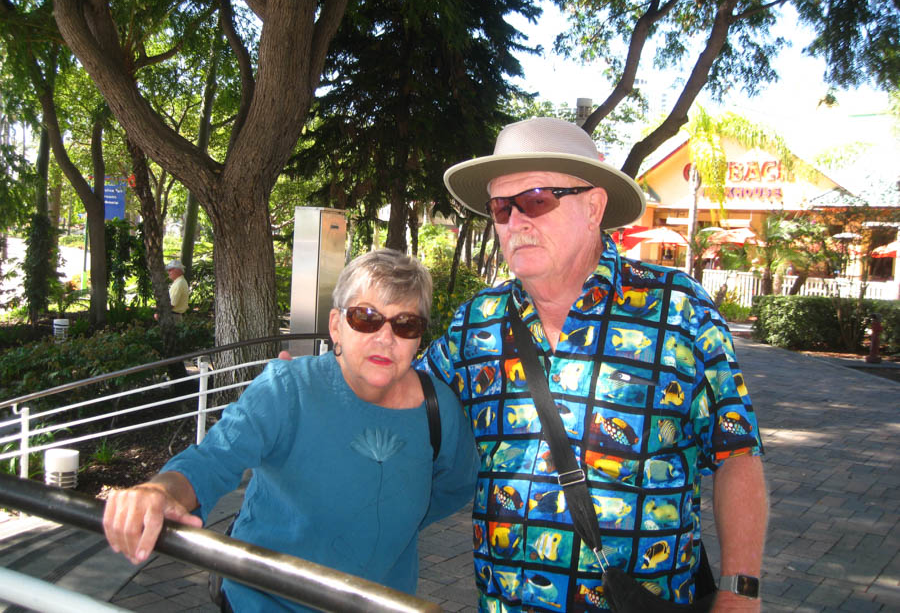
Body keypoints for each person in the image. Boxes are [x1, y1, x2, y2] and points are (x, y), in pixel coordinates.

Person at [416, 117, 767, 611]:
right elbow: (405, 398)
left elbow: (738, 454)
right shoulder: (478, 323)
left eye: (536, 199)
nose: (516, 221)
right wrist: (313, 381)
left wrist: (740, 589)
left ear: (594, 207)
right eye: (501, 207)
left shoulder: (677, 308)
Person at [103, 249, 480, 612]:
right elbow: (214, 458)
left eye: (405, 324)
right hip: (265, 599)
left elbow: (455, 484)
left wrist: (391, 521)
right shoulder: (288, 389)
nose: (386, 337)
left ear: (418, 337)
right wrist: (159, 491)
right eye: (366, 318)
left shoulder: (438, 409)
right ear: (336, 325)